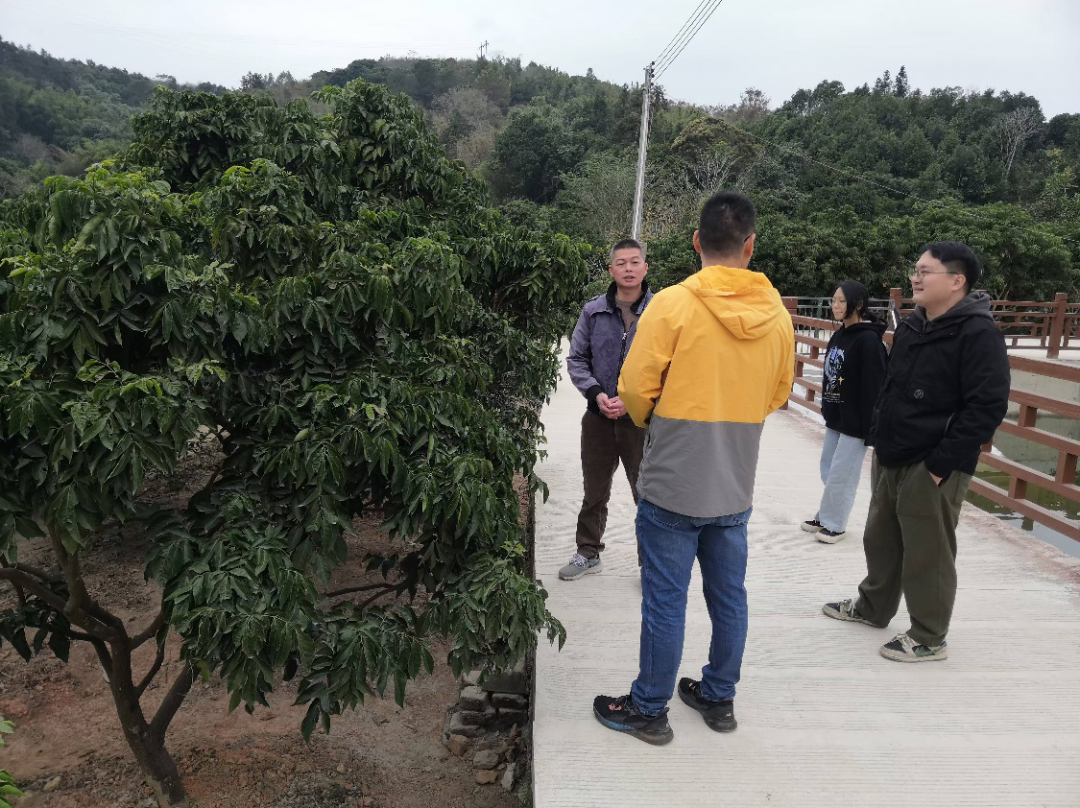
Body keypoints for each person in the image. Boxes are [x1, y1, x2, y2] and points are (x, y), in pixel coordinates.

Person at [592, 191, 794, 744]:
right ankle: (718, 696)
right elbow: (778, 393)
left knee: (665, 599)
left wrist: (654, 420)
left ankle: (648, 708)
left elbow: (635, 388)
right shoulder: (776, 315)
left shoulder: (673, 305)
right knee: (729, 598)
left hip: (675, 479)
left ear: (697, 241)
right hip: (734, 480)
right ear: (750, 245)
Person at [823, 242, 1010, 662]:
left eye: (925, 272)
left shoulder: (978, 333)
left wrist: (941, 465)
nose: (915, 278)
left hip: (935, 461)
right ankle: (873, 607)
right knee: (880, 537)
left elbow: (987, 407)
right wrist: (878, 436)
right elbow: (891, 386)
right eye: (916, 270)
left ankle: (928, 636)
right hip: (893, 450)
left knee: (929, 551)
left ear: (957, 281)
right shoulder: (913, 324)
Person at [561, 238, 653, 581]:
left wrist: (636, 399)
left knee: (647, 493)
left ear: (645, 267)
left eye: (634, 262)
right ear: (611, 269)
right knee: (594, 491)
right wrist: (597, 394)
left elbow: (671, 366)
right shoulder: (593, 311)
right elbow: (576, 359)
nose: (628, 269)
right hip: (598, 418)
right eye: (621, 263)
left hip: (641, 421)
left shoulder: (660, 312)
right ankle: (588, 552)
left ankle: (651, 565)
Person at [802, 280, 887, 543]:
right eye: (834, 300)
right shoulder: (839, 335)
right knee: (828, 468)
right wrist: (827, 408)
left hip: (856, 420)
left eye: (841, 301)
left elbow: (874, 386)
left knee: (843, 473)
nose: (835, 305)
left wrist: (870, 426)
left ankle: (835, 524)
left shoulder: (869, 341)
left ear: (857, 305)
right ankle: (826, 514)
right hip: (836, 415)